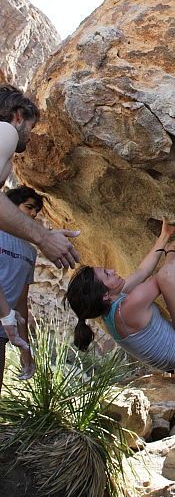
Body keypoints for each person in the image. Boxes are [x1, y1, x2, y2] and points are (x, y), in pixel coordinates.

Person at [64, 212, 175, 374]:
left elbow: (143, 271)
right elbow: (164, 278)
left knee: (166, 276)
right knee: (167, 276)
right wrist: (170, 254)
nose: (112, 270)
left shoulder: (108, 304)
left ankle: (170, 249)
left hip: (174, 357)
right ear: (104, 295)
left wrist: (164, 236)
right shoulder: (130, 307)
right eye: (107, 274)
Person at [0, 84, 80, 345]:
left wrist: (6, 315)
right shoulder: (6, 131)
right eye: (31, 128)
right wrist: (43, 238)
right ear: (18, 115)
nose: (30, 137)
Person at [0, 186, 43, 391]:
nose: (34, 214)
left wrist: (25, 348)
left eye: (36, 210)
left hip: (2, 330)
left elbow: (21, 302)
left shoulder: (30, 252)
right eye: (29, 207)